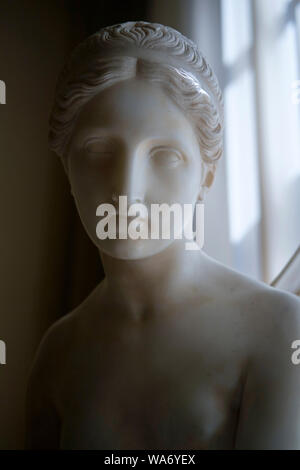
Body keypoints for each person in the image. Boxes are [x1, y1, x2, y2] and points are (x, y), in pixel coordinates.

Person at [26, 21, 300, 450]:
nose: (128, 191)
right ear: (66, 167)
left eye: (165, 155)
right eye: (99, 150)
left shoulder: (279, 331)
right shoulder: (57, 355)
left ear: (207, 174)